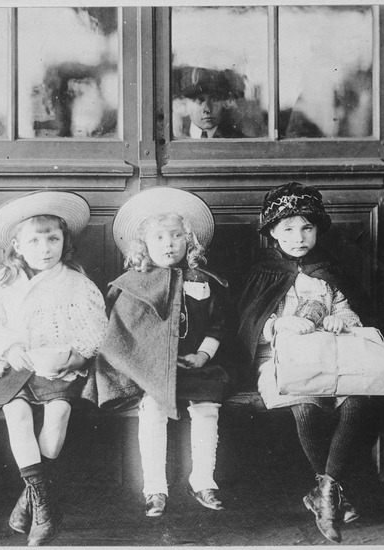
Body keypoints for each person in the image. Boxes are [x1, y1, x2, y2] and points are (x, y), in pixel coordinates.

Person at [237, 182, 384, 544]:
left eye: (307, 227)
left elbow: (350, 311)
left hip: (332, 361)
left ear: (318, 230)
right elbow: (247, 324)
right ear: (273, 232)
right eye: (288, 229)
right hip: (280, 362)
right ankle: (333, 496)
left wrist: (342, 321)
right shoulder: (264, 273)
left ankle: (324, 493)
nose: (299, 237)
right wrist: (278, 324)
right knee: (304, 409)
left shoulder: (328, 272)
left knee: (355, 404)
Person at [0, 190, 107, 546]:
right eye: (34, 241)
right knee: (17, 414)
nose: (45, 249)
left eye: (53, 239)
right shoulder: (1, 284)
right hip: (15, 368)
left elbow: (96, 330)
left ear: (64, 241)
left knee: (58, 414)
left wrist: (76, 357)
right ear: (17, 244)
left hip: (57, 369)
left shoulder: (76, 283)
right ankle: (44, 506)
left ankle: (29, 496)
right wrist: (9, 347)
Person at [93, 187, 234, 517]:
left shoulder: (202, 279)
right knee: (152, 407)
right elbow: (124, 334)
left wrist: (204, 355)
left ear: (189, 241)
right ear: (144, 244)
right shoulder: (132, 283)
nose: (168, 244)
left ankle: (203, 480)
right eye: (158, 237)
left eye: (176, 236)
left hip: (195, 365)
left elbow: (218, 324)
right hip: (150, 369)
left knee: (206, 406)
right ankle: (154, 488)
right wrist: (148, 365)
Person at [176, 67, 244, 139]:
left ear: (224, 103)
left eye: (214, 100)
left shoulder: (239, 141)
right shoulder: (176, 137)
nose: (207, 109)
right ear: (186, 104)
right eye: (199, 100)